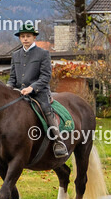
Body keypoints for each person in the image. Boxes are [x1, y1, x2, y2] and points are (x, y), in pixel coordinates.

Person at [8, 22, 67, 158]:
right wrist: (8, 88)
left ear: (34, 37)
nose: (25, 39)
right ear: (19, 38)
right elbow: (12, 77)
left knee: (46, 109)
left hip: (39, 93)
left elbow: (46, 76)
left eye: (28, 36)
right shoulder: (15, 55)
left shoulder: (43, 54)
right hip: (19, 92)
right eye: (22, 36)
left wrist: (32, 88)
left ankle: (58, 142)